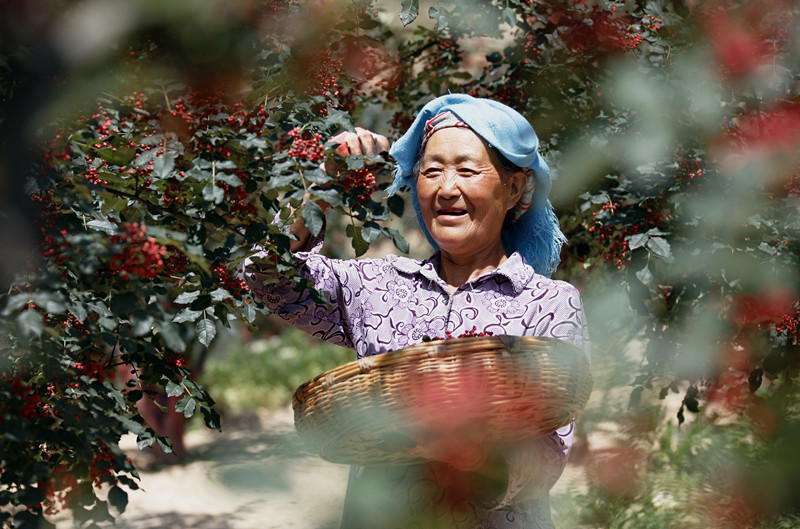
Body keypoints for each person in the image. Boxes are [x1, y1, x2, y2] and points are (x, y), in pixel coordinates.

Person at [244, 94, 590, 529]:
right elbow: (266, 275)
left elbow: (551, 454)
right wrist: (324, 184)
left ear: (515, 188)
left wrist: (477, 458)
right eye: (431, 171)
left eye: (466, 170)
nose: (446, 188)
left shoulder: (549, 302)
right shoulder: (376, 286)